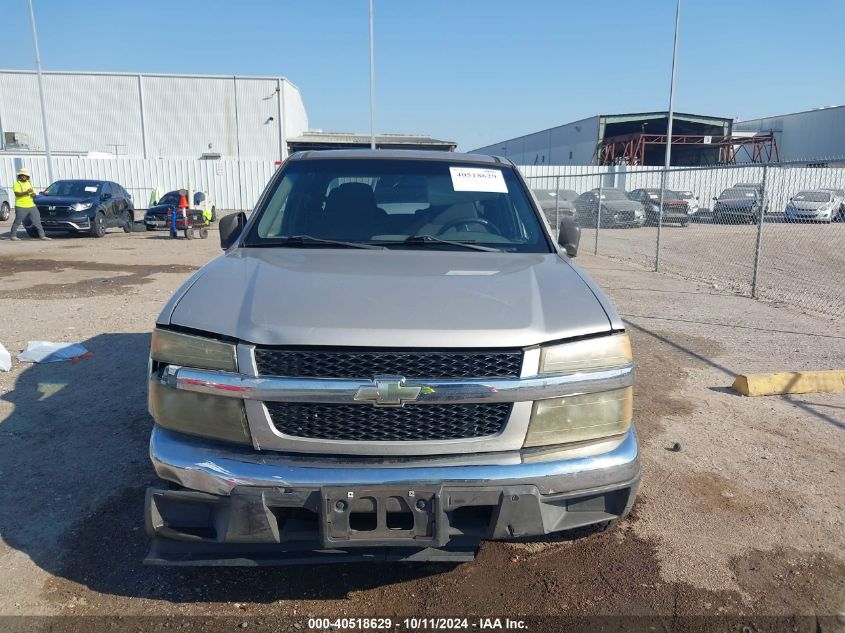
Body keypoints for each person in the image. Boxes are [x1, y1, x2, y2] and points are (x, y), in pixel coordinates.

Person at [9, 168, 49, 241]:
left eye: (25, 175)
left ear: (27, 176)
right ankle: (13, 236)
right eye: (22, 175)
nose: (23, 176)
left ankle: (42, 236)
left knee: (37, 221)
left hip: (31, 205)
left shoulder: (29, 183)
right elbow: (17, 194)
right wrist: (26, 192)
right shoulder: (17, 184)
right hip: (21, 206)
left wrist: (35, 194)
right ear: (20, 176)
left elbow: (32, 195)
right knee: (17, 221)